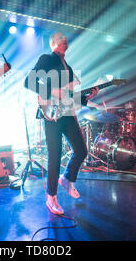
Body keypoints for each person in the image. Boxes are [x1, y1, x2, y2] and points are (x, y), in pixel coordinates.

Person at [24, 32, 99, 215]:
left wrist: (88, 97)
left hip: (67, 112)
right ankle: (51, 198)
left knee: (81, 150)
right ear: (52, 43)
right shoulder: (47, 59)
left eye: (66, 39)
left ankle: (67, 178)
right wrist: (52, 91)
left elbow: (71, 96)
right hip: (51, 115)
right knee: (55, 156)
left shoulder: (69, 68)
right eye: (60, 39)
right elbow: (28, 82)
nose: (64, 41)